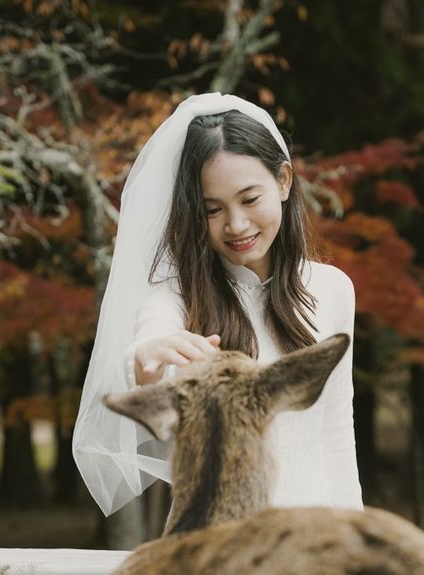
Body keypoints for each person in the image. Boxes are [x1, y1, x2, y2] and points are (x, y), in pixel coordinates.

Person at [73, 92, 362, 517]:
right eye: (213, 209)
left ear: (283, 182)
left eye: (249, 199)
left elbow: (337, 431)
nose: (236, 225)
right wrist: (146, 359)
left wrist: (353, 536)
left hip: (311, 538)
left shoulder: (333, 289)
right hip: (216, 543)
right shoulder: (175, 297)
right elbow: (150, 344)